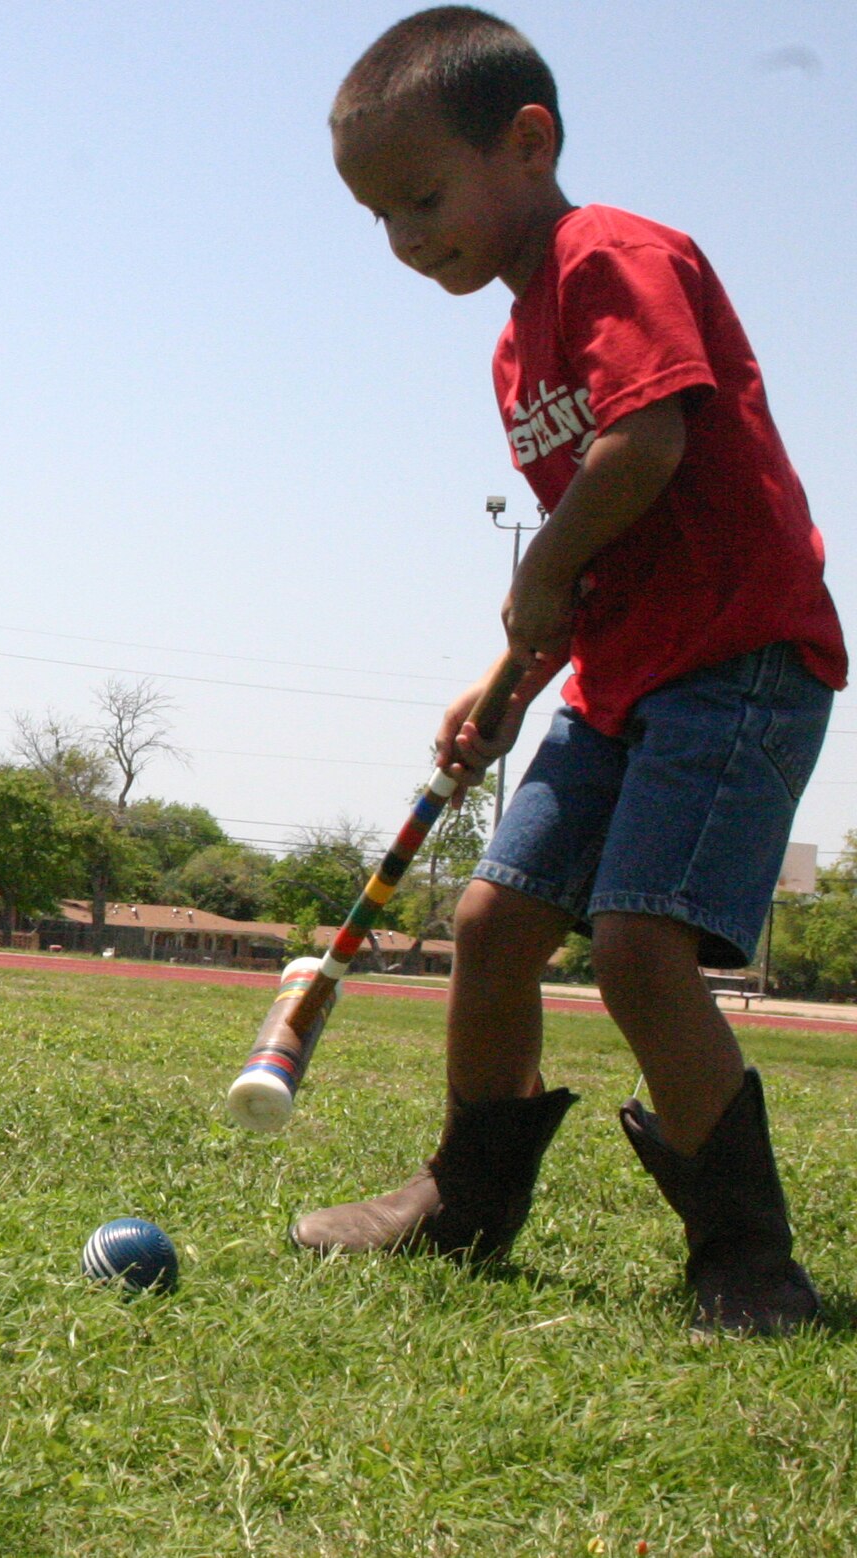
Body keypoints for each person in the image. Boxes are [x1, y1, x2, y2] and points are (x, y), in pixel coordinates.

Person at [294, 7, 845, 1336]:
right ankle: (465, 1197)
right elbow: (591, 565)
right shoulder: (511, 341)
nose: (408, 238)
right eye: (382, 216)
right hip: (619, 674)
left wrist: (537, 579)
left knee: (642, 947)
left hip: (736, 660)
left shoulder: (615, 257)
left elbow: (645, 449)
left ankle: (747, 1257)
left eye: (423, 197)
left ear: (528, 142)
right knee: (492, 924)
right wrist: (512, 674)